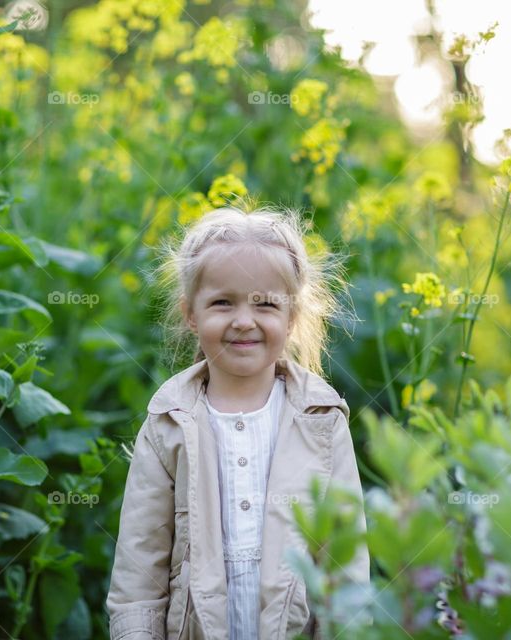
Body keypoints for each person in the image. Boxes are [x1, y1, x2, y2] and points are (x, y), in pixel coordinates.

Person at [107, 205, 370, 640]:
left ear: (292, 317)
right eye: (222, 302)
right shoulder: (169, 422)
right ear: (191, 314)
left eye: (265, 304)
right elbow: (139, 570)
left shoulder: (322, 421)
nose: (244, 320)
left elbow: (344, 565)